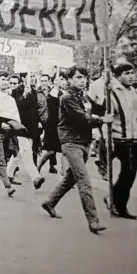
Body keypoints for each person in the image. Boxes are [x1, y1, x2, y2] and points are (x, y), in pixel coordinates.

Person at [41, 66, 113, 234]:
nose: (82, 81)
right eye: (78, 77)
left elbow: (99, 107)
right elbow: (82, 119)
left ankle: (49, 202)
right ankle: (93, 220)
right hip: (71, 142)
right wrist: (102, 120)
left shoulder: (84, 96)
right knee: (83, 180)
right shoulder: (67, 98)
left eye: (84, 78)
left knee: (70, 178)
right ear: (70, 80)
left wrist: (108, 90)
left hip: (84, 141)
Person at [103, 62, 137, 219]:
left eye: (132, 73)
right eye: (127, 73)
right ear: (118, 76)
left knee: (129, 172)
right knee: (128, 172)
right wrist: (105, 140)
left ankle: (113, 197)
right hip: (120, 139)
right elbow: (106, 117)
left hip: (133, 137)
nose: (131, 76)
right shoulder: (112, 92)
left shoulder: (133, 92)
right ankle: (119, 204)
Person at [38, 72, 68, 175]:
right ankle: (37, 169)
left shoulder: (63, 92)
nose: (61, 81)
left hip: (62, 125)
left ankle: (63, 174)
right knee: (50, 151)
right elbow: (51, 101)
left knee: (64, 151)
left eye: (62, 79)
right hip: (52, 125)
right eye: (58, 79)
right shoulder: (53, 92)